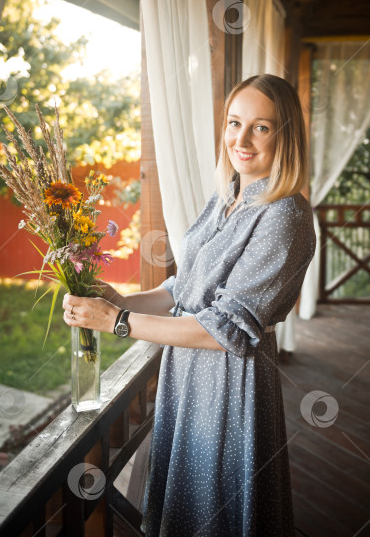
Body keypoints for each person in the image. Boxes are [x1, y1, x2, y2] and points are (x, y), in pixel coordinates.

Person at [63, 74, 316, 536]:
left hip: (230, 384)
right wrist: (120, 299)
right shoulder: (227, 197)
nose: (241, 139)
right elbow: (186, 288)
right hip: (186, 377)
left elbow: (224, 330)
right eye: (234, 122)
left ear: (286, 136)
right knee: (185, 506)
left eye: (261, 127)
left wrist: (118, 322)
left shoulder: (286, 215)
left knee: (216, 510)